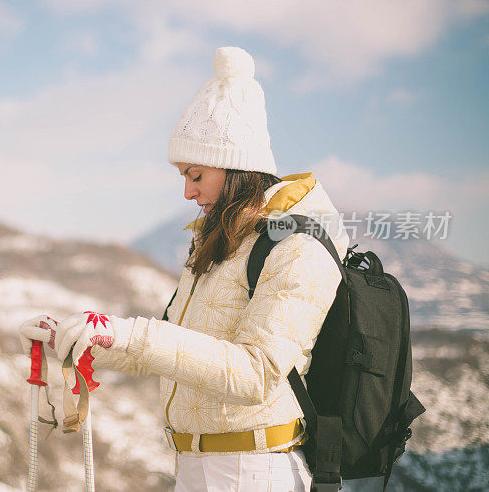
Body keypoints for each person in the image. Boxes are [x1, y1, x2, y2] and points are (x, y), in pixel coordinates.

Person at [19, 47, 350, 491]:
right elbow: (174, 356)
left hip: (254, 469)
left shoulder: (296, 246)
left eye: (195, 175)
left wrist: (133, 332)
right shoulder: (220, 243)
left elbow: (256, 374)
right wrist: (81, 339)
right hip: (195, 466)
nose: (188, 192)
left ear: (236, 168)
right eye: (183, 177)